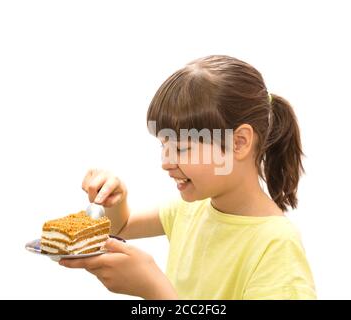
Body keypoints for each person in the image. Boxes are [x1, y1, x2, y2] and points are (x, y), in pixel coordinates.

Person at [59, 55, 316, 300]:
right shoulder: (189, 211)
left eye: (181, 148)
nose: (166, 162)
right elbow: (121, 227)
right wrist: (116, 201)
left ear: (239, 143)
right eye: (164, 146)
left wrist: (154, 290)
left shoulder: (277, 246)